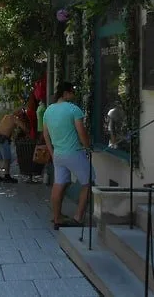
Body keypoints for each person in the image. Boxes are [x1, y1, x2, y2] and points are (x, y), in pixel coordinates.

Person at [43, 81, 94, 229]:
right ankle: (78, 217)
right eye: (72, 92)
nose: (73, 94)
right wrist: (88, 146)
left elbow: (46, 135)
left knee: (59, 184)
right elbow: (81, 131)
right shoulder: (73, 109)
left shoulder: (49, 110)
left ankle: (57, 218)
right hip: (74, 152)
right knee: (88, 182)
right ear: (66, 93)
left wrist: (52, 153)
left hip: (58, 154)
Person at [0, 108, 29, 183]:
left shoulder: (6, 116)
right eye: (21, 114)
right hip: (3, 139)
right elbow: (24, 128)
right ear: (19, 113)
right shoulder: (15, 118)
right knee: (7, 159)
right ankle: (7, 176)